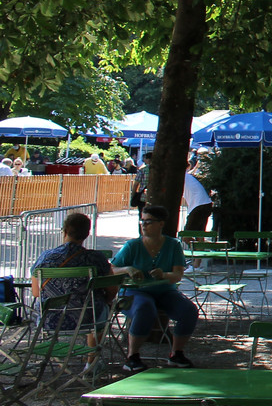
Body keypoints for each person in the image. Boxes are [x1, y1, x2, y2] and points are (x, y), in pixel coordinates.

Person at [111, 204, 200, 372]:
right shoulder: (132, 246)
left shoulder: (173, 245)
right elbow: (111, 269)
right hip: (135, 292)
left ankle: (176, 353)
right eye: (142, 221)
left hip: (164, 291)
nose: (144, 225)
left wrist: (164, 275)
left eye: (149, 221)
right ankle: (132, 356)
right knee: (145, 308)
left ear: (161, 224)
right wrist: (127, 269)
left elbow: (177, 275)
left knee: (188, 310)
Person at [31, 211, 114, 344]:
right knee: (99, 307)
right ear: (87, 234)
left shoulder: (45, 258)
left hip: (50, 319)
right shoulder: (96, 258)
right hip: (87, 318)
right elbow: (112, 289)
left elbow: (35, 292)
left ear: (64, 231)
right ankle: (91, 360)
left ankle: (56, 357)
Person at [181, 159, 213, 233]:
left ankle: (193, 243)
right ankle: (200, 244)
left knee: (186, 235)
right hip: (206, 204)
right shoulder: (187, 176)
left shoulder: (181, 177)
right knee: (200, 234)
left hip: (198, 206)